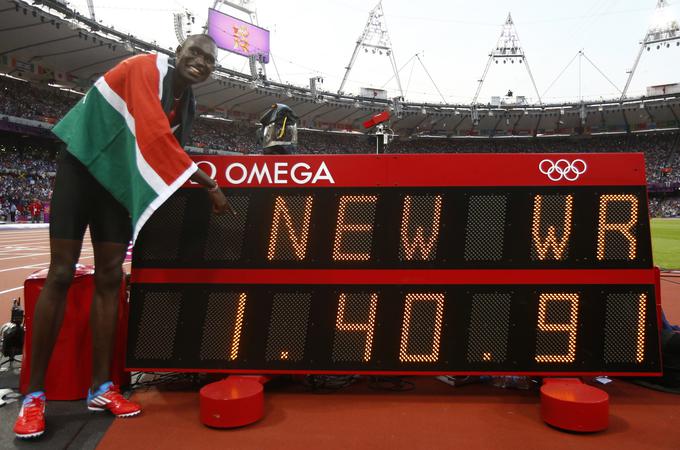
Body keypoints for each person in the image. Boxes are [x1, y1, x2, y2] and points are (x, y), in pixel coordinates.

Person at [14, 34, 229, 439]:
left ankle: (101, 388)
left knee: (111, 278)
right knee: (60, 273)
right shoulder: (145, 67)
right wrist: (209, 183)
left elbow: (167, 156)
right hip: (82, 167)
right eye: (195, 53)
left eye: (209, 60)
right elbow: (154, 136)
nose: (200, 62)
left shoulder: (188, 103)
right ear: (178, 49)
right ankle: (33, 396)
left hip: (115, 184)